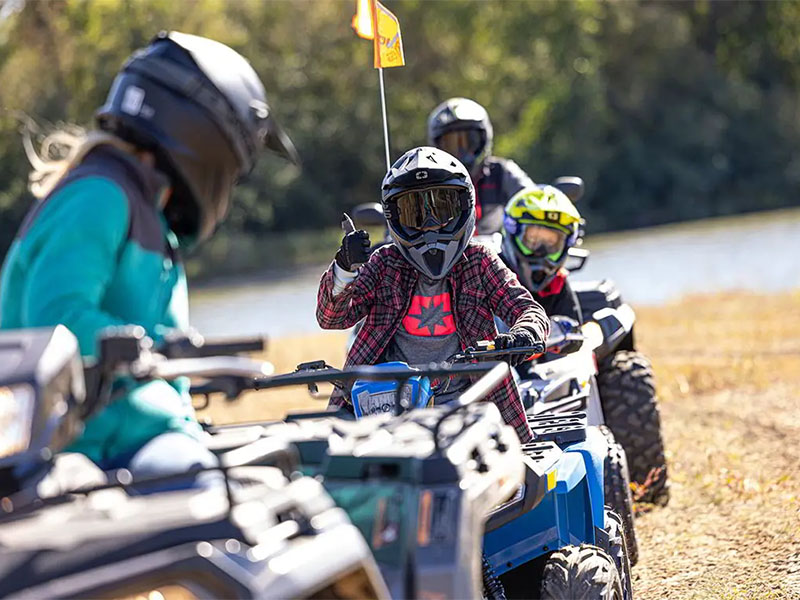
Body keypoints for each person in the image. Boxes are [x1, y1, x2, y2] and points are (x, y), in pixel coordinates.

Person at [0, 31, 299, 482]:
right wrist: (155, 349)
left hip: (135, 435)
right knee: (212, 499)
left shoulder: (144, 212)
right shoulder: (98, 195)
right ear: (201, 136)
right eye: (232, 170)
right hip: (94, 445)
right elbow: (57, 321)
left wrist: (183, 363)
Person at [316, 147, 549, 443]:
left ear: (465, 206)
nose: (429, 225)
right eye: (414, 212)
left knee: (516, 480)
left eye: (441, 209)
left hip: (473, 407)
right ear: (394, 217)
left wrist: (524, 335)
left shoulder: (479, 260)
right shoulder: (385, 262)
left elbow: (528, 309)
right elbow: (331, 317)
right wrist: (344, 268)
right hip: (387, 414)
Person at [427, 97, 535, 234]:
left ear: (484, 139)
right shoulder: (429, 181)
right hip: (449, 254)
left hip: (500, 254)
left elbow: (534, 201)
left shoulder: (501, 172)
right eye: (452, 144)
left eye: (469, 141)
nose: (461, 151)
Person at [500, 186, 583, 323]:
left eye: (551, 243)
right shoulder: (487, 273)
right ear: (512, 230)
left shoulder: (557, 282)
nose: (541, 251)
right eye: (533, 239)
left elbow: (574, 332)